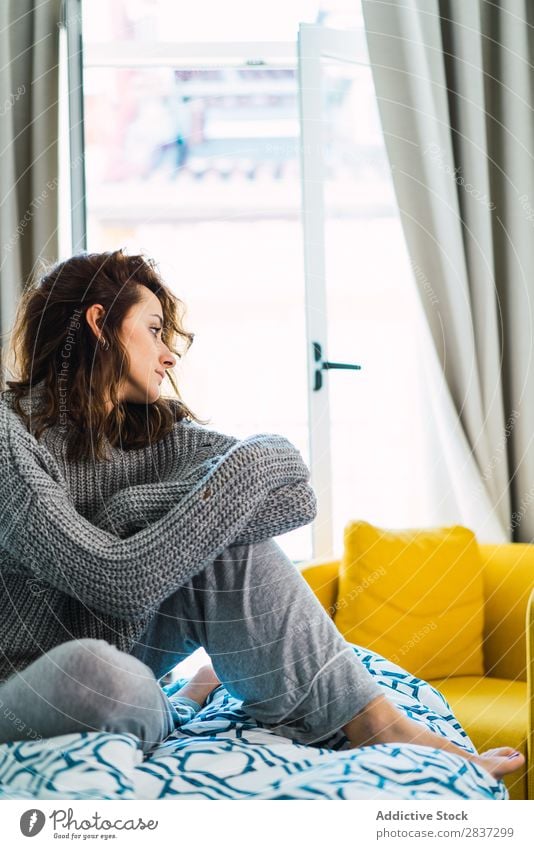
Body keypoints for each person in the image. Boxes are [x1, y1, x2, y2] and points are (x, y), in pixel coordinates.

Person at [0, 250, 524, 783]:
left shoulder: (151, 433)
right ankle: (183, 698)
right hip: (26, 681)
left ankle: (379, 722)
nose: (168, 355)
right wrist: (199, 498)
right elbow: (116, 581)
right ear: (99, 326)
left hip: (124, 645)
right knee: (99, 676)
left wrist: (140, 506)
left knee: (231, 543)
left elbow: (295, 493)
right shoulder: (10, 439)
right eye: (155, 331)